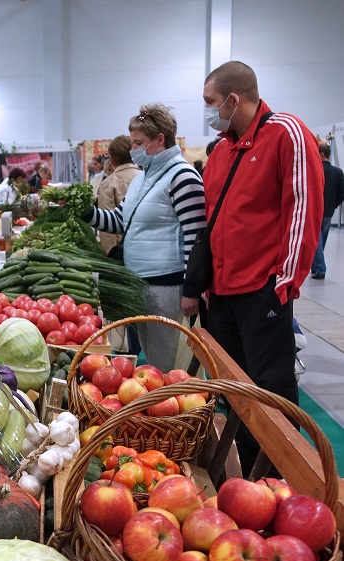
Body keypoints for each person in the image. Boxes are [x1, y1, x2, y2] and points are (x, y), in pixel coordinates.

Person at [195, 60, 323, 476]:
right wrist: (208, 282)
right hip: (223, 294)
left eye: (210, 103)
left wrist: (284, 283)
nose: (208, 112)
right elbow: (214, 219)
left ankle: (281, 481)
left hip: (262, 290)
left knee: (272, 392)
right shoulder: (220, 152)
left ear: (233, 99)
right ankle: (248, 477)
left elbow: (303, 209)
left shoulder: (285, 132)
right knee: (235, 392)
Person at [84, 103, 207, 373]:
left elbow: (196, 238)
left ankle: (169, 411)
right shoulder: (142, 178)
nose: (133, 150)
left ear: (160, 139)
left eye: (139, 143)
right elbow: (119, 221)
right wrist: (86, 212)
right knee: (151, 361)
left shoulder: (183, 176)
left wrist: (191, 289)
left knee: (165, 363)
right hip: (139, 284)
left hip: (167, 287)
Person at [97, 135, 139, 253]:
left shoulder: (108, 184)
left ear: (112, 160)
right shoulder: (146, 178)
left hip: (122, 249)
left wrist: (111, 253)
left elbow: (107, 227)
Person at [310, 143, 344, 280]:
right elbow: (342, 194)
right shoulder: (338, 172)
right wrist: (334, 205)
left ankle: (320, 268)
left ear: (322, 154)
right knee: (321, 241)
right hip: (329, 212)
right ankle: (316, 266)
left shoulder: (315, 169)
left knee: (316, 240)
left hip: (316, 210)